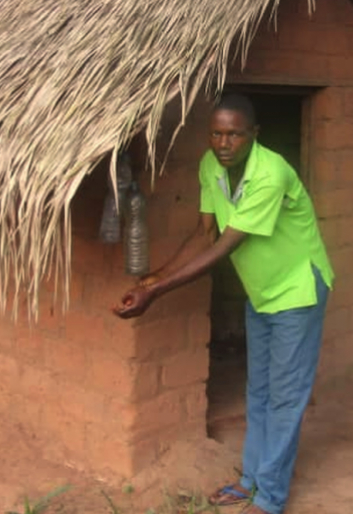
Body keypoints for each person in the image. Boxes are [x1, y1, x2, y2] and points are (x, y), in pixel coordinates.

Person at [113, 93, 334, 514]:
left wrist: (155, 294)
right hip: (263, 291)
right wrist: (153, 277)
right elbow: (203, 235)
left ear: (254, 135)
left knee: (285, 397)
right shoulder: (210, 167)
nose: (224, 143)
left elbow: (223, 248)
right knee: (259, 390)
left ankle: (269, 498)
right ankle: (250, 481)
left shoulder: (270, 174)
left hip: (298, 290)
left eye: (234, 134)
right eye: (216, 133)